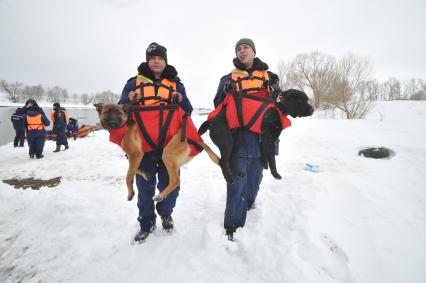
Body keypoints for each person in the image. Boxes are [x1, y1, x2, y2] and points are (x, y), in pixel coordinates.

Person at [119, 42, 193, 243]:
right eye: (152, 58)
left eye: (160, 58)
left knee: (171, 184)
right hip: (142, 146)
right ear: (147, 61)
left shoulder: (177, 84)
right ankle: (146, 223)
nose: (156, 61)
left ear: (165, 61)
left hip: (170, 145)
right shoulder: (133, 83)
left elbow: (188, 109)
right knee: (144, 187)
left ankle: (165, 212)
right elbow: (121, 110)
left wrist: (180, 99)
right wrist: (130, 101)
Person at [213, 38, 281, 241]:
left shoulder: (270, 77)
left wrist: (278, 93)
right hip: (238, 138)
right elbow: (217, 105)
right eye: (239, 49)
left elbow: (278, 107)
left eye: (246, 48)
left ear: (253, 52)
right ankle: (232, 226)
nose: (242, 51)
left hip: (262, 139)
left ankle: (249, 202)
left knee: (255, 179)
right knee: (236, 182)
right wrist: (225, 95)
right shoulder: (227, 79)